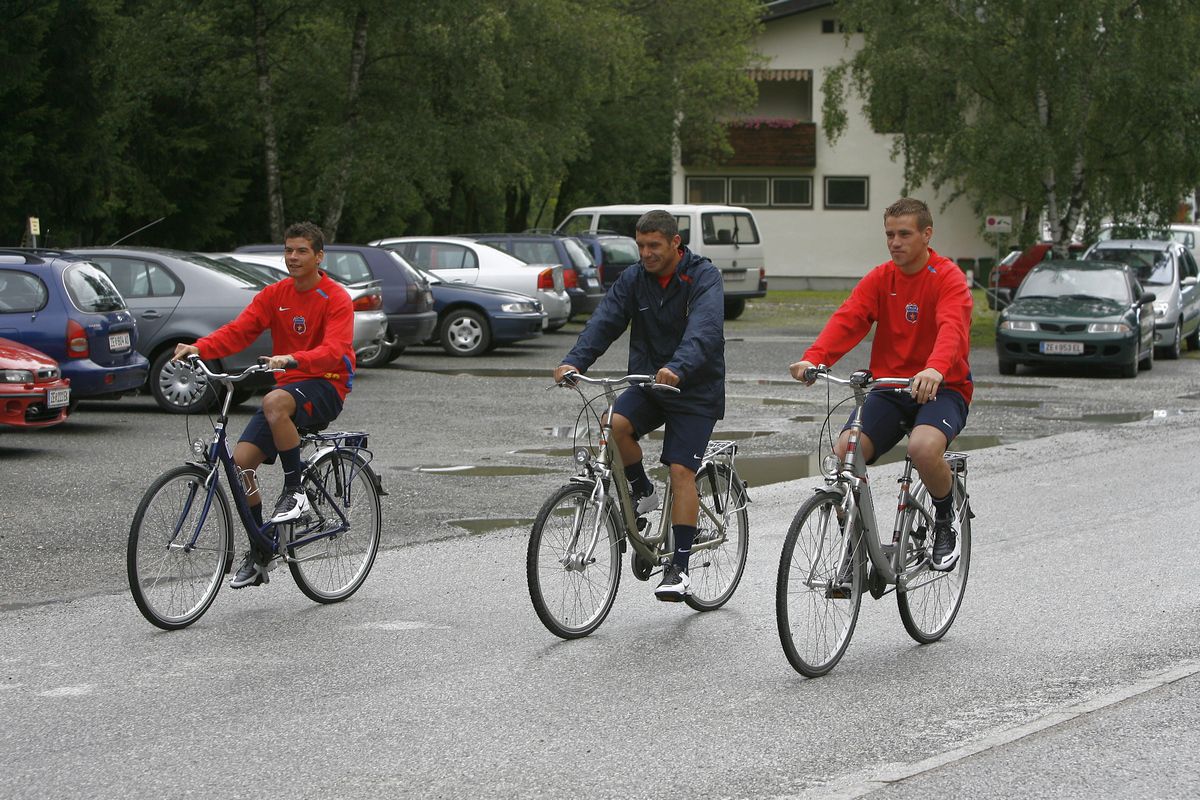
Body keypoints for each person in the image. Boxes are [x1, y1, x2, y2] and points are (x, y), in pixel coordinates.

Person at [789, 197, 972, 572]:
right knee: (844, 454)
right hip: (891, 388)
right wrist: (815, 358)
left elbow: (952, 329)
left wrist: (935, 369)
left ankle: (943, 519)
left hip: (943, 387)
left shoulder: (948, 277)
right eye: (889, 234)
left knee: (922, 450)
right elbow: (850, 318)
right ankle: (856, 545)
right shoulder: (880, 278)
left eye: (904, 234)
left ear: (926, 234)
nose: (895, 242)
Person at [554, 209, 725, 601]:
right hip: (649, 383)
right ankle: (641, 489)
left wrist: (678, 367)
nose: (646, 253)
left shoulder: (703, 277)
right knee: (612, 423)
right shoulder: (634, 279)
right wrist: (575, 361)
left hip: (694, 390)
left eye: (654, 246)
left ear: (675, 244)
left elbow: (705, 329)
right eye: (641, 245)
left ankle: (679, 568)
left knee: (682, 470)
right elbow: (605, 321)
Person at [173, 221, 355, 589]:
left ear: (319, 256)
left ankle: (295, 491)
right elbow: (239, 330)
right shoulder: (275, 295)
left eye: (302, 251)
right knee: (240, 466)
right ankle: (261, 549)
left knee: (273, 402)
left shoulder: (335, 297)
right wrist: (200, 347)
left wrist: (293, 360)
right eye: (288, 250)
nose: (293, 257)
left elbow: (335, 350)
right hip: (287, 390)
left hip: (326, 384)